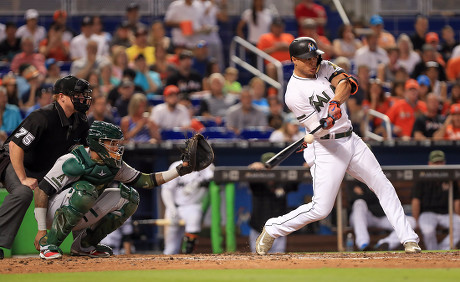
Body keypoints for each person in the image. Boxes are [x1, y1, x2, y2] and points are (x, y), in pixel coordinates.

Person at [255, 37, 421, 255]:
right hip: (326, 147)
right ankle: (273, 228)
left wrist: (335, 104)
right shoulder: (293, 94)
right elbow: (319, 130)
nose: (313, 62)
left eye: (314, 56)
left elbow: (348, 82)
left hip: (351, 139)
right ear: (294, 60)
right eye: (307, 59)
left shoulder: (323, 65)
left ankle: (409, 239)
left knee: (382, 184)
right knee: (321, 209)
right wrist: (328, 121)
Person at [34, 121, 209, 259]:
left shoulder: (114, 164)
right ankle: (50, 245)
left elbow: (145, 180)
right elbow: (41, 190)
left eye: (117, 143)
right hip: (53, 211)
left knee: (129, 197)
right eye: (112, 143)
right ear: (98, 142)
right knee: (85, 190)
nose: (117, 148)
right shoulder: (73, 159)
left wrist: (180, 170)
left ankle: (85, 246)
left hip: (81, 206)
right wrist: (42, 230)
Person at [0, 75, 92, 260]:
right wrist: (24, 178)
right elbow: (14, 146)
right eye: (77, 95)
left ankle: (82, 243)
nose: (82, 99)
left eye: (83, 95)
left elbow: (85, 150)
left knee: (84, 189)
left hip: (45, 169)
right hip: (14, 161)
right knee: (23, 192)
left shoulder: (80, 120)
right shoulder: (41, 116)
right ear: (61, 97)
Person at [247, 152, 298, 253]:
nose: (270, 169)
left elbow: (296, 180)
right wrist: (251, 168)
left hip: (278, 231)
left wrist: (307, 167)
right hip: (258, 229)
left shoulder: (283, 180)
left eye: (273, 165)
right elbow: (247, 175)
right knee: (256, 259)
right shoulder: (257, 181)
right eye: (268, 166)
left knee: (278, 260)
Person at [161, 161, 214, 254]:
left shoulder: (206, 166)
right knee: (170, 247)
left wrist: (200, 182)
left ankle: (188, 253)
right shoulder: (176, 166)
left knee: (194, 220)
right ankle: (169, 261)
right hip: (174, 206)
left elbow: (213, 177)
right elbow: (166, 190)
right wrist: (171, 208)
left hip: (192, 205)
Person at [411, 150, 460, 250]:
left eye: (440, 162)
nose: (438, 165)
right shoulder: (422, 178)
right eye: (435, 163)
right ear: (430, 164)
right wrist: (416, 220)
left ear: (444, 163)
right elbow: (416, 201)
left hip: (447, 214)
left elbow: (456, 200)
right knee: (428, 231)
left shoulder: (450, 178)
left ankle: (443, 250)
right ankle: (432, 251)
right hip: (428, 213)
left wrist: (458, 215)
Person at [347, 181, 417, 251]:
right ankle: (363, 245)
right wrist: (371, 195)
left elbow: (390, 200)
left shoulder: (382, 180)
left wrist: (364, 194)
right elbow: (353, 199)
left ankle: (383, 244)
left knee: (411, 221)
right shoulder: (355, 181)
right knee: (359, 203)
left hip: (382, 216)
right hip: (363, 217)